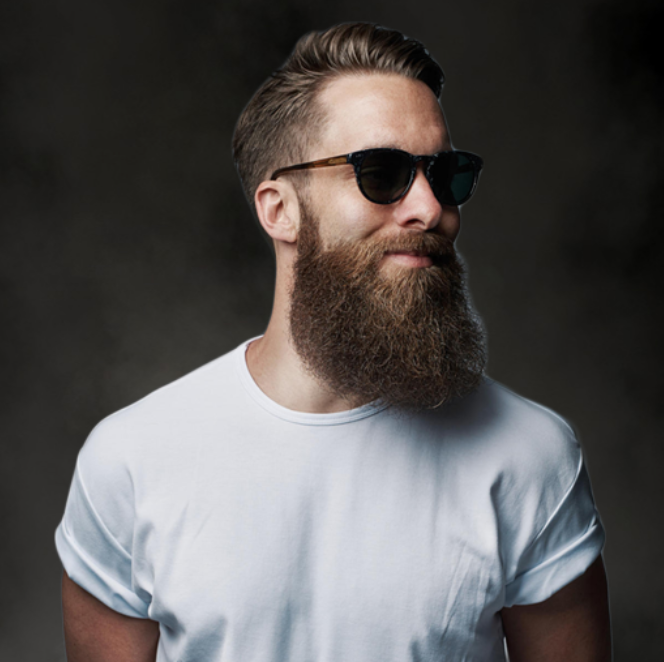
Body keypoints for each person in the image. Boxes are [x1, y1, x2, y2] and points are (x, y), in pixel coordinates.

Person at [56, 22, 611, 662]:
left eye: (445, 175)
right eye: (382, 172)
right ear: (279, 210)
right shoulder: (131, 461)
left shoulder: (530, 458)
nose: (431, 209)